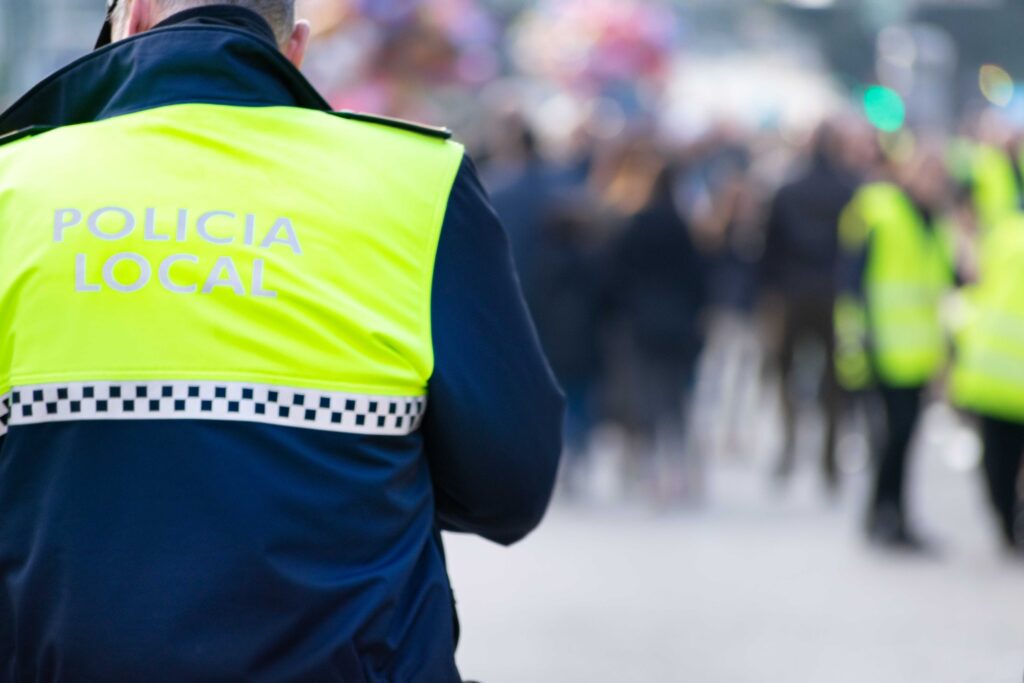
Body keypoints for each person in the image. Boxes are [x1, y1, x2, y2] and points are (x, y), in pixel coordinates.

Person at [0, 1, 564, 681]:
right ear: (294, 48)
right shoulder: (417, 185)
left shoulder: (13, 185)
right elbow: (511, 485)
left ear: (134, 16)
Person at [834, 145, 955, 550]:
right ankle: (884, 517)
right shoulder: (880, 211)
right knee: (892, 437)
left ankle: (890, 515)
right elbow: (852, 281)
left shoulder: (935, 225)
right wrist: (856, 343)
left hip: (917, 353)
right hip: (881, 347)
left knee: (903, 439)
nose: (932, 184)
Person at [762, 121, 858, 491]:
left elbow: (770, 248)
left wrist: (769, 294)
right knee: (834, 379)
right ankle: (829, 460)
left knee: (786, 373)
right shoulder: (849, 190)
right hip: (833, 293)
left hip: (791, 292)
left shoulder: (788, 190)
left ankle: (789, 447)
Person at [951, 213, 1024, 555]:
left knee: (998, 457)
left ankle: (1006, 523)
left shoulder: (1003, 231)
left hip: (992, 366)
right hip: (1001, 368)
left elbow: (969, 276)